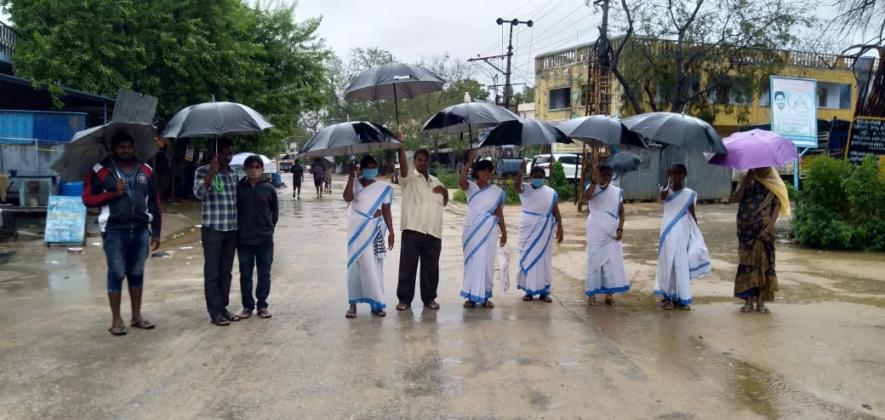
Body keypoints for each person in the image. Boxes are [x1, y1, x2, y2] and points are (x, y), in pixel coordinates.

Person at [83, 132, 162, 336]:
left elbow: (154, 202)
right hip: (114, 230)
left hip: (141, 229)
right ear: (113, 148)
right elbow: (87, 199)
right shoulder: (100, 170)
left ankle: (136, 317)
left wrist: (157, 233)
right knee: (117, 273)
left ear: (133, 148)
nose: (125, 150)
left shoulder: (146, 170)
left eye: (128, 146)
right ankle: (116, 320)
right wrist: (112, 193)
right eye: (121, 147)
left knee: (137, 273)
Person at [193, 139, 244, 326]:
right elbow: (198, 193)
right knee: (212, 271)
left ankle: (223, 307)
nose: (227, 157)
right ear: (215, 154)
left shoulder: (233, 174)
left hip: (231, 229)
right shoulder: (202, 171)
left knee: (226, 271)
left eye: (230, 153)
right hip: (212, 229)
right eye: (223, 153)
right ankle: (215, 312)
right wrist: (211, 172)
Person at [395, 141, 448, 311]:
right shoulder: (408, 178)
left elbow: (444, 203)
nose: (422, 162)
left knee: (431, 269)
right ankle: (404, 300)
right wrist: (400, 146)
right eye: (419, 160)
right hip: (413, 230)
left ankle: (429, 299)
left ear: (429, 162)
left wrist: (445, 192)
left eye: (425, 160)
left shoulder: (436, 181)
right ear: (414, 162)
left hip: (433, 232)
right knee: (407, 268)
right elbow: (402, 166)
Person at [343, 155, 395, 318]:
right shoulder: (356, 184)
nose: (371, 170)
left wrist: (392, 232)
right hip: (356, 232)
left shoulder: (383, 188)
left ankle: (376, 303)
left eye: (374, 167)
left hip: (374, 232)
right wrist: (352, 175)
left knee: (374, 267)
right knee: (355, 268)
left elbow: (386, 210)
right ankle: (352, 305)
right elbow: (347, 198)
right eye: (368, 167)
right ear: (362, 168)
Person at [654, 164, 711, 311]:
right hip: (668, 231)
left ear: (684, 175)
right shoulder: (666, 190)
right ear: (671, 175)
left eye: (680, 173)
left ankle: (681, 297)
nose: (677, 176)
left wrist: (696, 233)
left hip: (683, 231)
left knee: (680, 263)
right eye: (674, 173)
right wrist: (667, 180)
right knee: (668, 262)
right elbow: (663, 197)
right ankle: (667, 297)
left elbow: (692, 213)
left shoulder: (690, 194)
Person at [732, 167, 788, 314]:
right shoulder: (746, 176)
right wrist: (745, 182)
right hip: (746, 232)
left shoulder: (773, 179)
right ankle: (748, 302)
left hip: (765, 232)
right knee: (747, 265)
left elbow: (776, 206)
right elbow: (735, 199)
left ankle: (761, 302)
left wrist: (769, 228)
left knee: (764, 265)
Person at [458, 151, 507, 309]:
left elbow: (499, 212)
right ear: (477, 172)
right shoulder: (470, 186)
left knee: (487, 262)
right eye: (483, 170)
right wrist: (469, 162)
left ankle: (486, 296)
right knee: (472, 261)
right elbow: (461, 182)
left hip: (489, 231)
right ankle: (471, 297)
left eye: (489, 170)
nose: (486, 173)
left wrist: (504, 232)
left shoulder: (496, 192)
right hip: (472, 230)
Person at [236, 156, 279, 320]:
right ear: (245, 169)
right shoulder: (239, 187)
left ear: (261, 168)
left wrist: (269, 228)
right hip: (244, 240)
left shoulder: (268, 188)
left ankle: (262, 305)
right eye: (250, 167)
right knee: (245, 274)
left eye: (256, 166)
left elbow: (275, 213)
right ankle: (247, 306)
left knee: (264, 273)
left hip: (264, 240)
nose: (253, 169)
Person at [513, 163, 563, 302]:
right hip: (527, 228)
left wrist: (560, 227)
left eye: (541, 177)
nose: (538, 179)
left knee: (544, 260)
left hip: (544, 229)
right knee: (528, 257)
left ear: (544, 178)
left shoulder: (550, 192)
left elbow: (555, 211)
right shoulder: (525, 188)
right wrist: (520, 173)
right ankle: (528, 291)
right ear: (530, 177)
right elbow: (516, 187)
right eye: (535, 176)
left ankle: (544, 292)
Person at [584, 164, 629, 306]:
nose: (606, 178)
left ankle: (609, 294)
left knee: (611, 263)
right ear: (598, 175)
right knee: (594, 262)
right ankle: (592, 296)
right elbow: (586, 197)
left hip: (612, 232)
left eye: (609, 175)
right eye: (603, 175)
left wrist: (620, 228)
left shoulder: (616, 192)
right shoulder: (591, 188)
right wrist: (593, 181)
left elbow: (621, 211)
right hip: (595, 231)